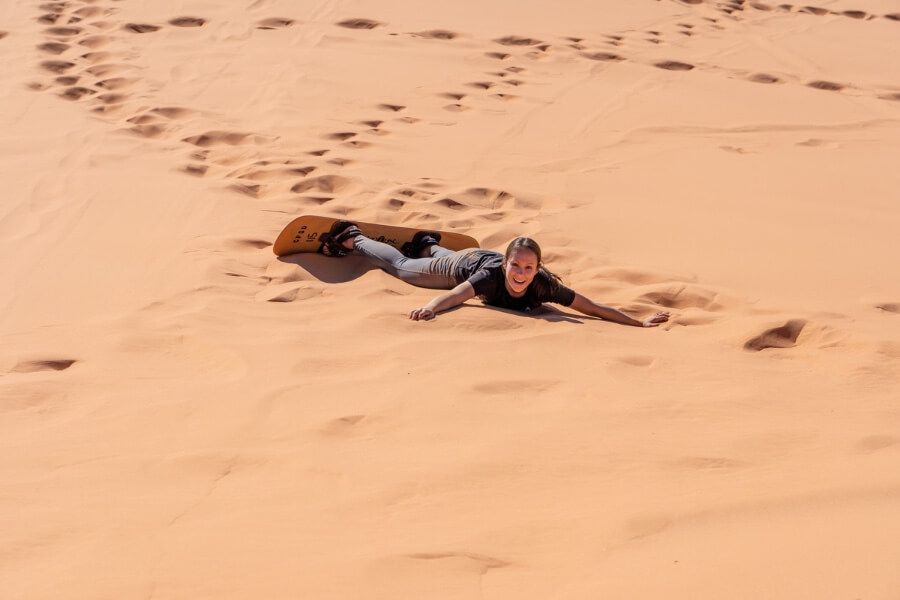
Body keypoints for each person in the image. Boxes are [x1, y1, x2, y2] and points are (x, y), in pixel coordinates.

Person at [319, 220, 670, 327]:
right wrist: (431, 307)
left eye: (528, 268)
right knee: (403, 268)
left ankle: (428, 243)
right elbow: (457, 295)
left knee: (435, 258)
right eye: (515, 265)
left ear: (537, 269)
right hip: (461, 267)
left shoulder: (543, 286)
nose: (520, 273)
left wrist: (638, 323)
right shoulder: (492, 276)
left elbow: (591, 307)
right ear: (506, 264)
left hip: (474, 258)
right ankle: (353, 239)